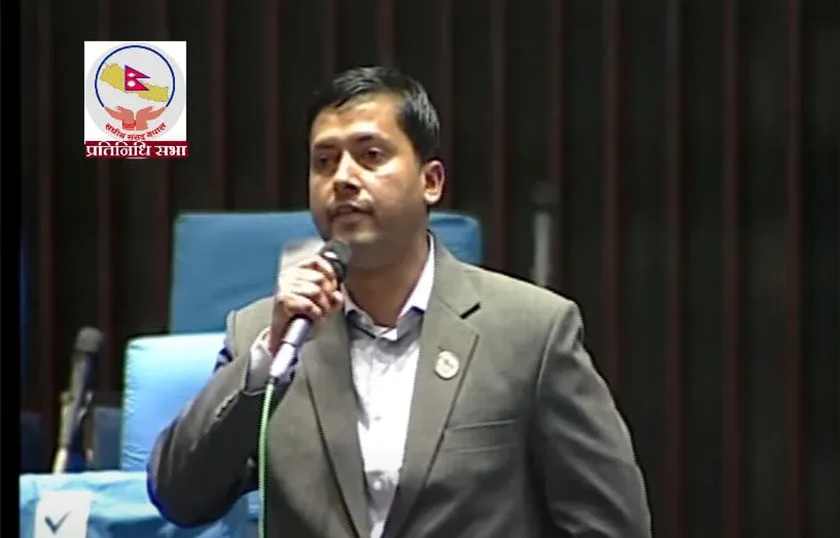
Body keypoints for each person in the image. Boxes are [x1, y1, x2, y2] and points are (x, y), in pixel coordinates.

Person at [147, 65, 651, 538]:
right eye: (324, 162)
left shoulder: (530, 331)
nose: (343, 178)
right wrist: (265, 362)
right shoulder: (266, 336)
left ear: (430, 181)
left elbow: (611, 524)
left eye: (370, 155)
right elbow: (179, 498)